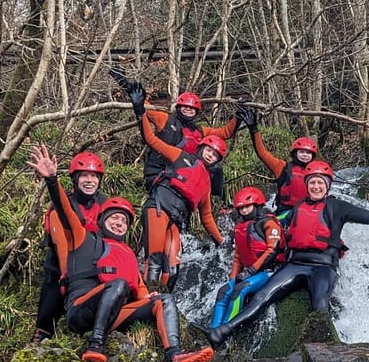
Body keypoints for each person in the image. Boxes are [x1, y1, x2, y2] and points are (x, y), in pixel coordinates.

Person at [27, 144, 214, 362]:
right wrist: (51, 179)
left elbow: (140, 288)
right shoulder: (82, 237)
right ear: (101, 220)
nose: (119, 223)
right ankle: (95, 345)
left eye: (124, 221)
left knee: (163, 300)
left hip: (113, 311)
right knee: (116, 284)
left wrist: (148, 298)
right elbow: (66, 211)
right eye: (114, 218)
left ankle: (175, 354)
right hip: (81, 309)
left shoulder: (127, 255)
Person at [207, 160, 369, 348]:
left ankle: (325, 353)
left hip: (323, 267)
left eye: (320, 183)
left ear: (327, 185)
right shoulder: (297, 207)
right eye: (312, 182)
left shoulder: (337, 207)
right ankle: (223, 332)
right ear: (307, 185)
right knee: (262, 296)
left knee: (320, 305)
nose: (315, 186)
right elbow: (273, 224)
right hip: (294, 264)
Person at [127, 82, 226, 290]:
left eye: (214, 155)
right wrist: (139, 112)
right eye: (208, 150)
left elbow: (207, 218)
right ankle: (145, 307)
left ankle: (160, 305)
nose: (210, 155)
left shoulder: (207, 184)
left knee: (172, 271)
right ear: (201, 148)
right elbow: (151, 140)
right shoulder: (181, 157)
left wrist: (221, 242)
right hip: (159, 207)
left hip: (176, 219)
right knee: (153, 261)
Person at [110, 67, 238, 196]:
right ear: (178, 107)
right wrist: (124, 83)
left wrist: (239, 115)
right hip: (162, 174)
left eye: (192, 108)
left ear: (197, 112)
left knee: (216, 168)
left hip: (186, 175)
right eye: (185, 107)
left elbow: (226, 132)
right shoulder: (164, 119)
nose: (188, 110)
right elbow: (143, 106)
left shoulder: (200, 131)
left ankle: (217, 201)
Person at [31, 151, 107, 343]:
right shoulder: (61, 207)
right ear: (75, 179)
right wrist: (69, 276)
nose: (89, 180)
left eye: (93, 176)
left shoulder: (103, 203)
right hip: (61, 266)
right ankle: (42, 332)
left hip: (93, 264)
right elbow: (62, 245)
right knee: (53, 290)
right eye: (84, 176)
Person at [210, 186, 286, 328]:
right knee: (223, 292)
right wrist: (233, 277)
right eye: (241, 208)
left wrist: (251, 271)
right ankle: (213, 329)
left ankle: (226, 329)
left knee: (240, 290)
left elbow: (272, 251)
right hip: (250, 273)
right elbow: (238, 256)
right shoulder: (240, 228)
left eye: (248, 207)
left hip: (270, 271)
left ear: (257, 205)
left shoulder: (269, 223)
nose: (244, 211)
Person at [235, 105, 318, 218]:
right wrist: (253, 129)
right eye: (302, 152)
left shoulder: (317, 172)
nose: (305, 155)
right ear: (295, 153)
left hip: (310, 212)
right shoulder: (282, 167)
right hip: (286, 213)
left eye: (308, 153)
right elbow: (262, 153)